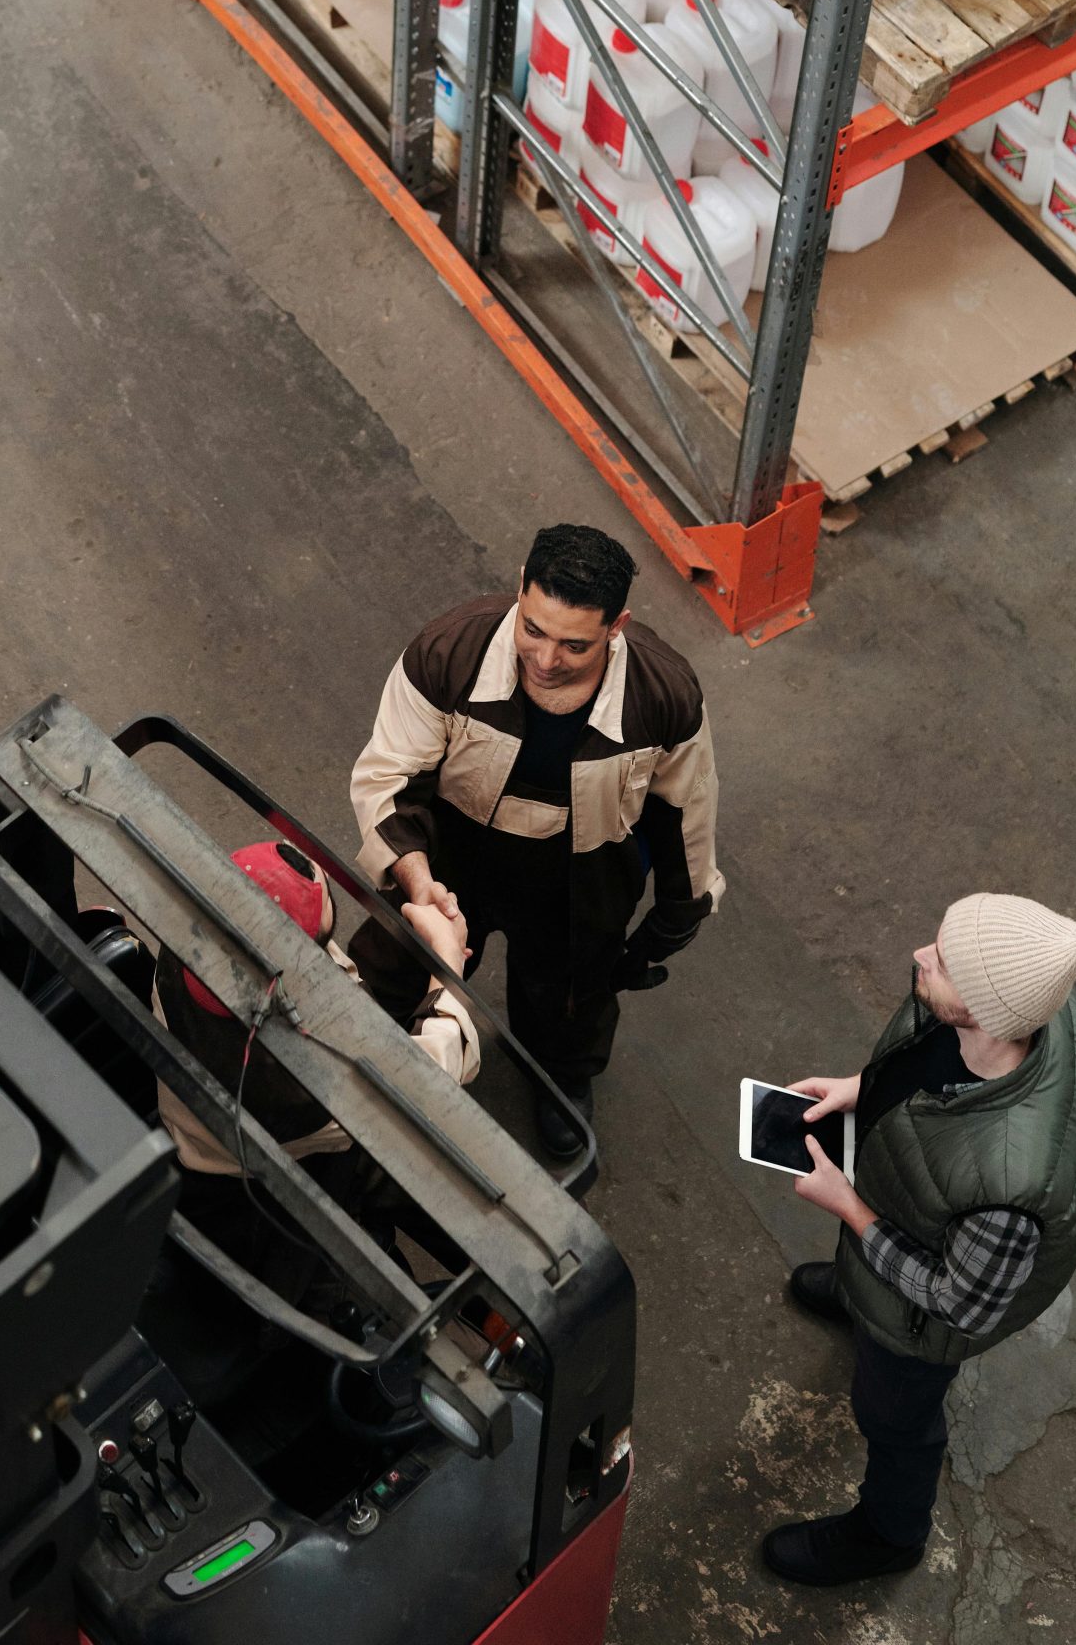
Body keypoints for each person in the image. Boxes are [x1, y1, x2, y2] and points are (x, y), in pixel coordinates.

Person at [348, 523, 721, 1160]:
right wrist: (417, 882)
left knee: (571, 991)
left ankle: (560, 1075)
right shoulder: (448, 653)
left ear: (617, 625)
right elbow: (389, 777)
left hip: (577, 869)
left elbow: (685, 812)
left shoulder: (664, 697)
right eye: (533, 630)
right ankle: (357, 1056)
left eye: (575, 645)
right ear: (520, 591)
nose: (546, 661)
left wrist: (676, 915)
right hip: (449, 850)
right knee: (397, 959)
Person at [764, 892, 1076, 1588]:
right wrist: (859, 1088)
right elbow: (921, 1055)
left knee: (893, 1418)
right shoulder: (1025, 1001)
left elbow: (957, 1303)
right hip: (908, 1208)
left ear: (982, 1009)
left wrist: (851, 1211)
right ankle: (861, 1296)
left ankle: (888, 1535)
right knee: (866, 1277)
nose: (919, 956)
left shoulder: (1013, 1191)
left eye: (942, 962)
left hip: (920, 1325)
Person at [152, 839, 478, 1257]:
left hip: (195, 1139)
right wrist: (446, 968)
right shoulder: (301, 1087)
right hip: (265, 1189)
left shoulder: (182, 947)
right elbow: (423, 1089)